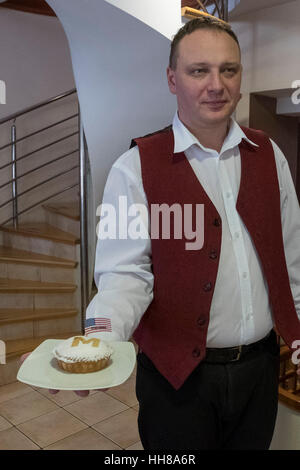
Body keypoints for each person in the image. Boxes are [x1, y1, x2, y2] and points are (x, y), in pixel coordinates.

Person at [22, 16, 300, 449]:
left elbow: (291, 255)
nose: (216, 84)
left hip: (259, 371)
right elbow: (123, 276)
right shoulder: (133, 169)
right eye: (198, 71)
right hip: (177, 383)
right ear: (172, 79)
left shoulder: (269, 155)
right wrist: (97, 343)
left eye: (229, 69)